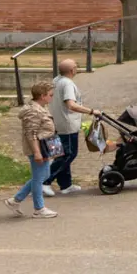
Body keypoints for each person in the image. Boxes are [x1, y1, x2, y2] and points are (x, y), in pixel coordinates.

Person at [8, 81, 59, 218]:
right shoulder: (33, 111)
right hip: (38, 147)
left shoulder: (40, 107)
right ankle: (39, 208)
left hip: (44, 146)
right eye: (50, 95)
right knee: (38, 178)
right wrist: (37, 152)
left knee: (44, 175)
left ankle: (15, 200)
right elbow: (31, 133)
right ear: (42, 96)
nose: (52, 97)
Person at [44, 59, 95, 196]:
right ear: (72, 70)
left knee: (59, 155)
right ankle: (45, 181)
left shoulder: (55, 80)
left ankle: (65, 184)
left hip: (54, 123)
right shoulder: (67, 84)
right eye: (76, 67)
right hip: (67, 125)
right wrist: (91, 111)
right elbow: (71, 105)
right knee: (69, 154)